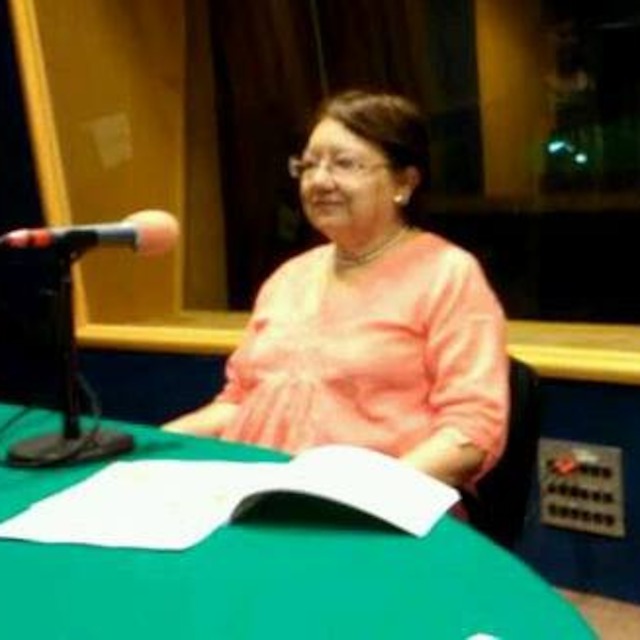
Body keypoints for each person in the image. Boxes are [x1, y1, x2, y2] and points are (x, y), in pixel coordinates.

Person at [164, 89, 509, 491]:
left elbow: (471, 431)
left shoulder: (448, 274)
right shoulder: (288, 277)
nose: (319, 181)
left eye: (344, 164)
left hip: (379, 508)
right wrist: (153, 444)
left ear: (404, 182)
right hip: (260, 495)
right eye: (309, 165)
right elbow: (239, 402)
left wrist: (365, 496)